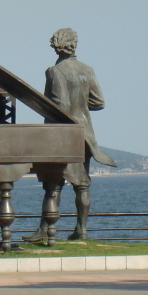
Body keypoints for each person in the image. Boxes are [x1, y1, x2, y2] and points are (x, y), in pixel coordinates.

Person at [24, 28, 112, 242]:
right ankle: (81, 230)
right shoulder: (87, 70)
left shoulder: (55, 71)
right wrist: (81, 105)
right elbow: (99, 102)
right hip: (85, 135)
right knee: (82, 184)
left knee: (53, 183)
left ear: (57, 45)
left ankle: (45, 230)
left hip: (61, 135)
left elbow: (60, 104)